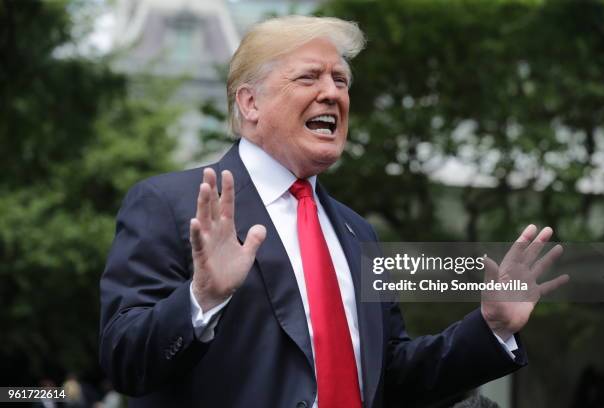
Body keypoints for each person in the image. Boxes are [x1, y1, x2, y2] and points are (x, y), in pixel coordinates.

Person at [99, 15, 567, 408]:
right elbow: (124, 361)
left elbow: (393, 377)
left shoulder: (356, 231)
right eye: (309, 77)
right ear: (250, 102)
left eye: (340, 80)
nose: (332, 93)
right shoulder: (170, 204)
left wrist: (490, 328)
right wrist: (200, 300)